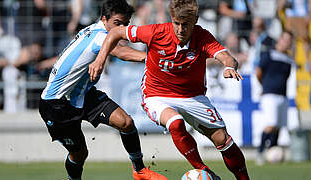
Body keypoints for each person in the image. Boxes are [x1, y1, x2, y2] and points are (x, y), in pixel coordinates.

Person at [89, 0, 250, 179]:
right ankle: (204, 170)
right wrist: (99, 60)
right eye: (177, 23)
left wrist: (229, 67)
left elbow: (227, 57)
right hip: (157, 94)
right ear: (171, 19)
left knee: (223, 140)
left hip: (192, 96)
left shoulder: (202, 36)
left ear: (195, 20)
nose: (180, 30)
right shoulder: (156, 32)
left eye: (185, 25)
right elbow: (116, 32)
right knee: (176, 122)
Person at [38, 0, 167, 179]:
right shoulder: (99, 36)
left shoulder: (96, 31)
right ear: (104, 19)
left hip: (83, 94)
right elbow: (122, 53)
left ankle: (139, 171)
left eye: (124, 25)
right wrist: (159, 60)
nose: (120, 29)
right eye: (117, 24)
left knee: (126, 123)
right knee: (80, 154)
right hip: (57, 105)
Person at [255, 31, 294, 165]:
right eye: (285, 39)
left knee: (278, 126)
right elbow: (258, 72)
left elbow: (286, 77)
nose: (287, 43)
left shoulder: (289, 59)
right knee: (270, 124)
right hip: (269, 94)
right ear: (280, 40)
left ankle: (272, 152)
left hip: (282, 95)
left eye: (290, 41)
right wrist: (265, 86)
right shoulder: (269, 54)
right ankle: (260, 152)